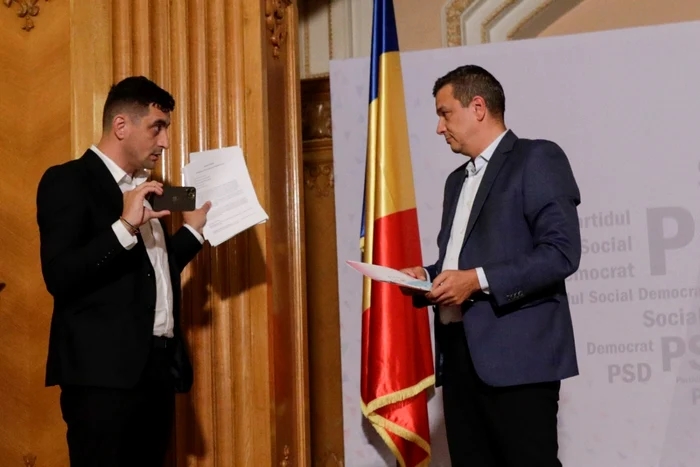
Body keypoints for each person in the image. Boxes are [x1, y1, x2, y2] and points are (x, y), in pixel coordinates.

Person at [401, 65, 581, 466]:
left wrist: (476, 280)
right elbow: (459, 263)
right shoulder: (455, 181)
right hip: (458, 357)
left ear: (478, 107)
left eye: (445, 113)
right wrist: (426, 277)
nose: (439, 127)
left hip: (517, 359)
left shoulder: (536, 158)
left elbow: (561, 252)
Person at [36, 76, 212, 467]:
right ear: (121, 126)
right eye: (157, 127)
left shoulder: (147, 187)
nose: (165, 141)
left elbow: (149, 273)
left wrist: (192, 233)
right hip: (101, 379)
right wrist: (126, 225)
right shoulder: (68, 180)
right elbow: (60, 276)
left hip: (157, 371)